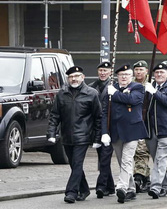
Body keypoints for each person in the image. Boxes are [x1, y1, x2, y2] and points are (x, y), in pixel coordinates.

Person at [47, 66, 102, 203]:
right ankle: (84, 189)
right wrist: (51, 133)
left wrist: (97, 138)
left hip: (83, 136)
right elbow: (55, 115)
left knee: (77, 163)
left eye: (77, 76)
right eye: (71, 77)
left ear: (83, 77)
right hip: (66, 136)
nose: (74, 79)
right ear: (68, 79)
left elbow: (98, 117)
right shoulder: (62, 93)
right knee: (74, 165)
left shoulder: (91, 93)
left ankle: (71, 192)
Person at [101, 64, 148, 203]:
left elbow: (132, 100)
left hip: (132, 131)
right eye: (121, 75)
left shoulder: (137, 88)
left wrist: (115, 94)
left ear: (131, 76)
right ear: (117, 76)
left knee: (127, 160)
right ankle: (131, 189)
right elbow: (104, 113)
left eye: (126, 75)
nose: (123, 77)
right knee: (122, 162)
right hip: (115, 131)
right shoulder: (111, 88)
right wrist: (104, 132)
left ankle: (121, 187)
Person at [144, 62, 167, 199]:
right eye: (157, 73)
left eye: (162, 72)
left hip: (165, 128)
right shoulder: (149, 86)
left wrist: (154, 92)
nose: (159, 75)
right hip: (150, 129)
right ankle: (165, 186)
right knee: (157, 159)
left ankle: (156, 187)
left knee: (161, 158)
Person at [88, 61, 116, 198]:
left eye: (105, 70)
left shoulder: (114, 86)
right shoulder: (92, 87)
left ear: (110, 71)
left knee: (105, 157)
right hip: (96, 127)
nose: (103, 73)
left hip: (109, 127)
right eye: (100, 70)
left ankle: (101, 186)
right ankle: (110, 186)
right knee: (102, 156)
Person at [131, 60, 152, 193]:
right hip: (132, 120)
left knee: (142, 150)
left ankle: (139, 176)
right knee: (135, 151)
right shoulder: (130, 84)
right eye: (136, 69)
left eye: (141, 70)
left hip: (147, 122)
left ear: (146, 71)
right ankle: (145, 177)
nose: (138, 72)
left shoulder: (151, 84)